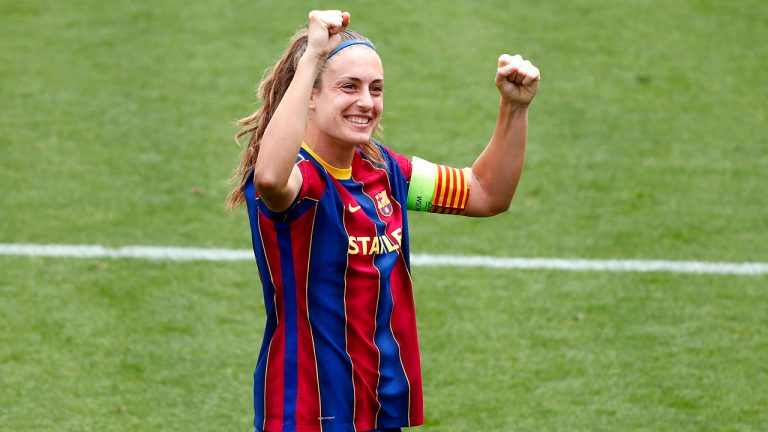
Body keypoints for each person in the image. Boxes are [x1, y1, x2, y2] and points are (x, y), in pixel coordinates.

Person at [227, 10, 540, 432]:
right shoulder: (299, 179)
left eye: (376, 89)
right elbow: (269, 177)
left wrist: (514, 109)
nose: (367, 102)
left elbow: (486, 192)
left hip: (380, 402)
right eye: (348, 87)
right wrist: (311, 56)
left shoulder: (385, 171)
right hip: (308, 407)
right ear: (310, 95)